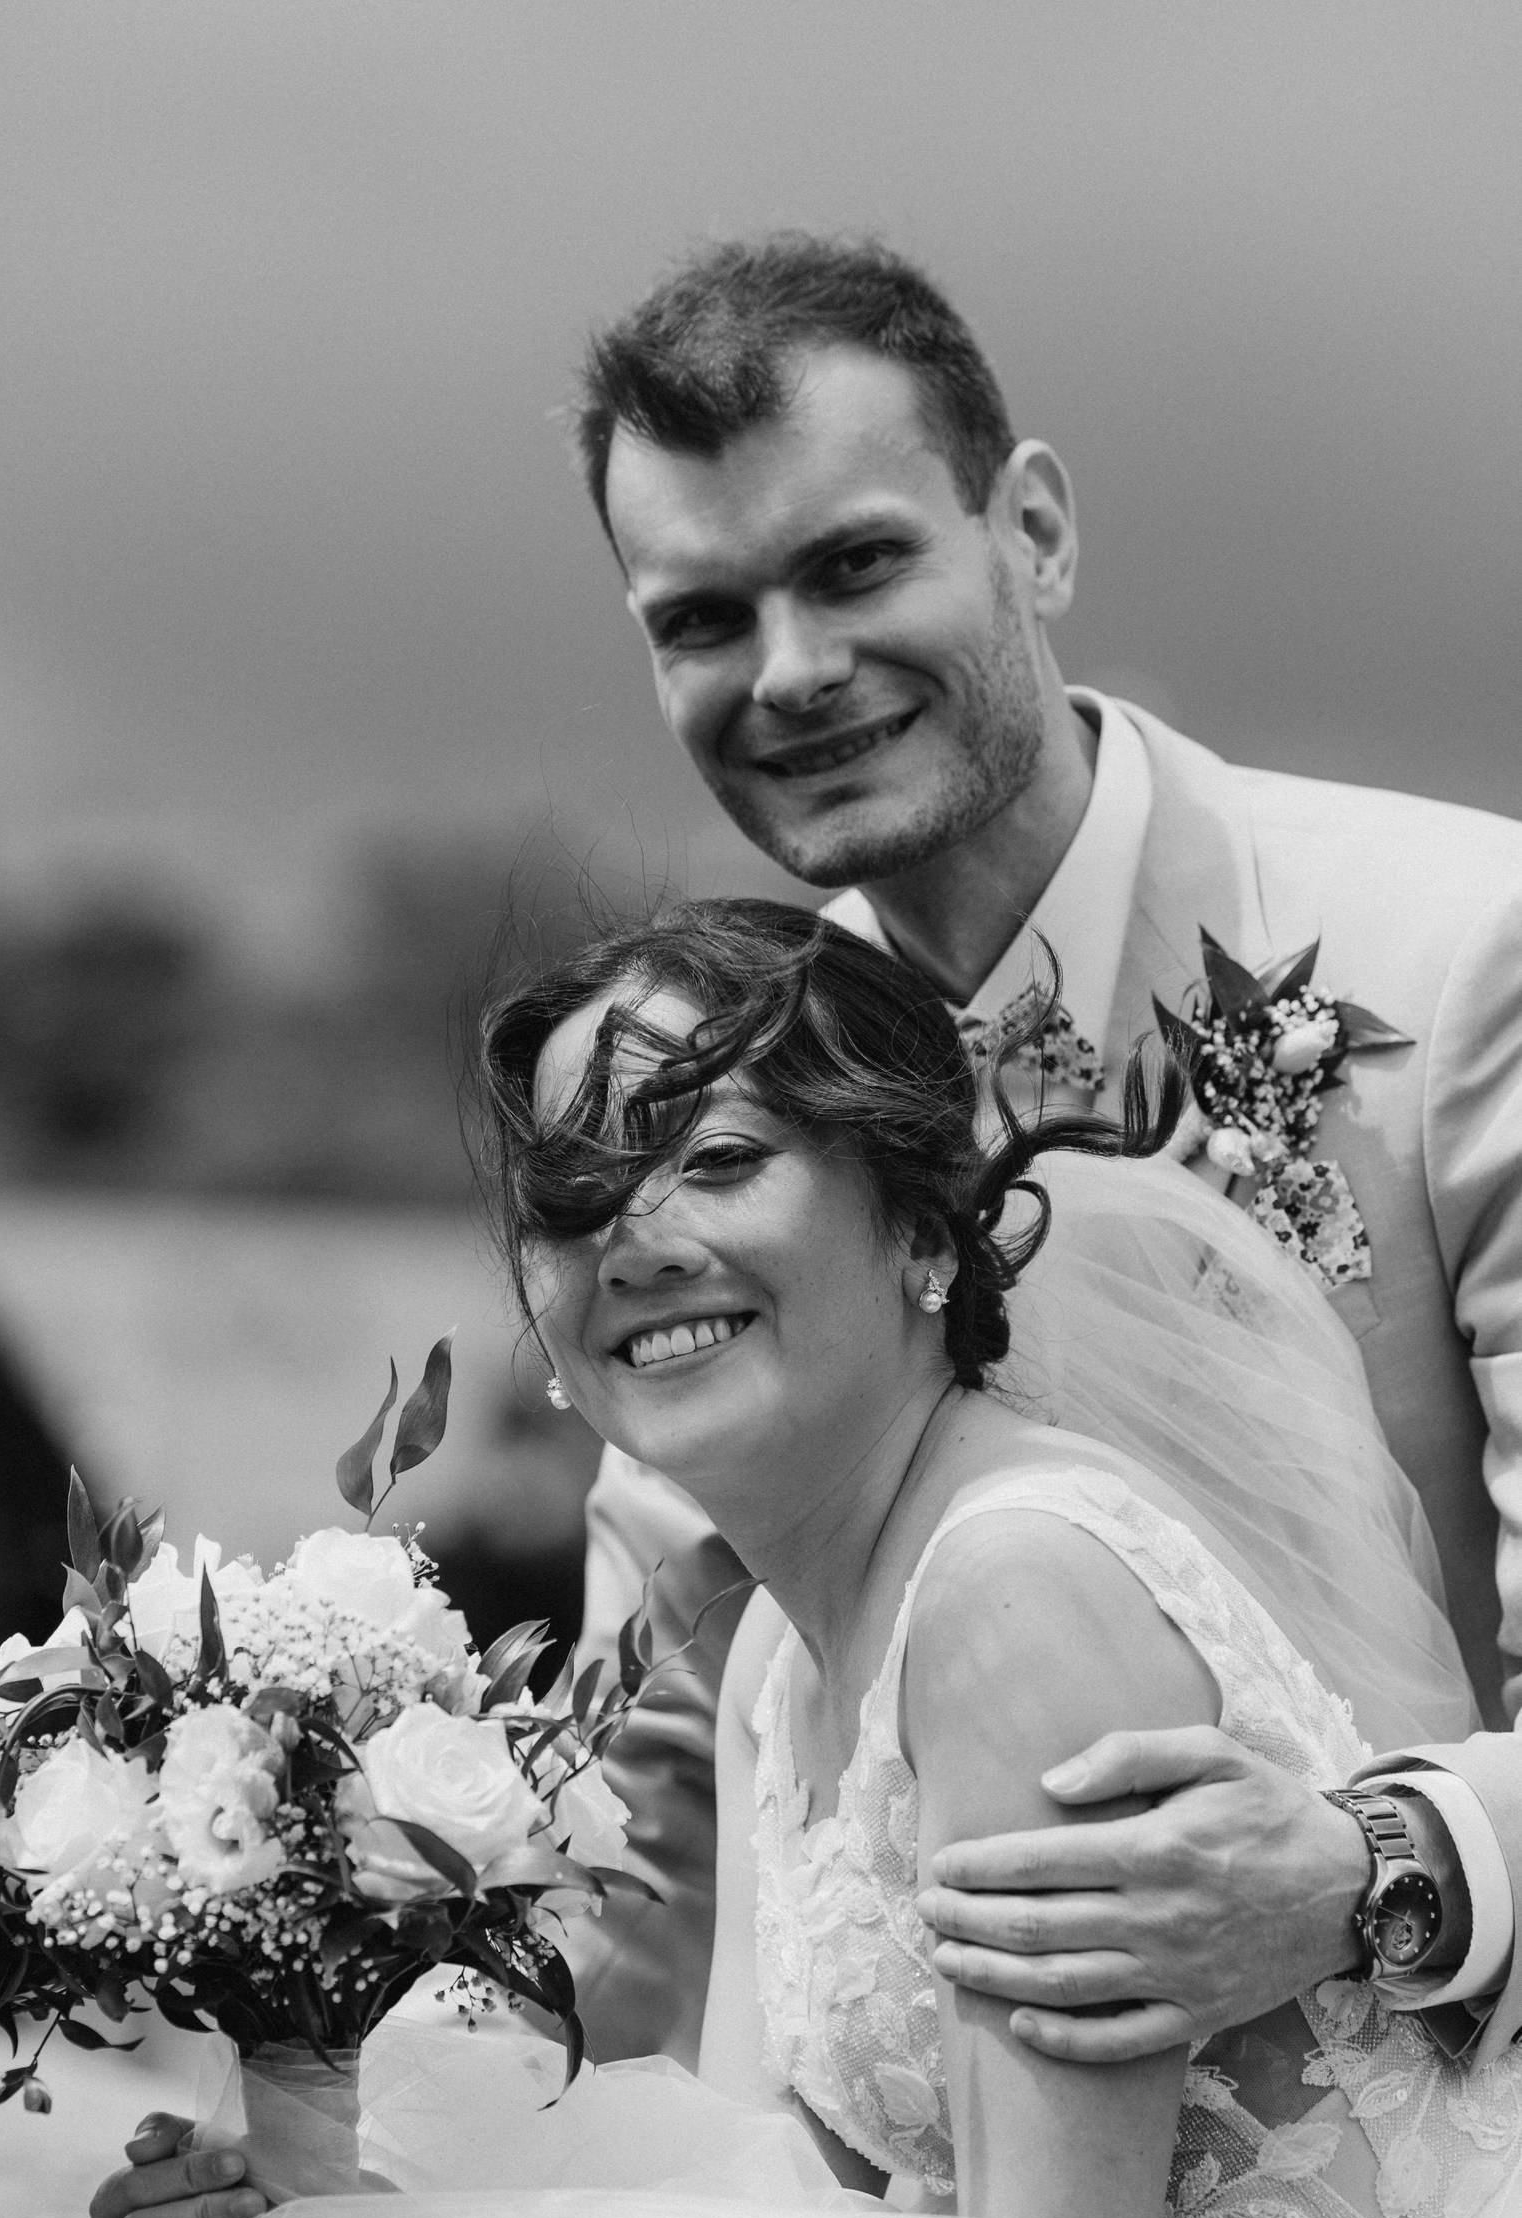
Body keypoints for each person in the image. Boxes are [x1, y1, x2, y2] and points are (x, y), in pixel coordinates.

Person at [96, 903, 1521, 2218]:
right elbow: (824, 2213)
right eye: (572, 1197)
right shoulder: (784, 1645)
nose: (632, 1235)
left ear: (924, 1234)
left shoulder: (1012, 1596)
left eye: (716, 1160)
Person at [560, 231, 1522, 2079]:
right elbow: (641, 1832)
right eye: (700, 618)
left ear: (1037, 533)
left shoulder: (1468, 966)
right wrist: (304, 2154)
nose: (790, 672)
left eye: (855, 565)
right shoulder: (695, 1120)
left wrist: (1372, 1868)